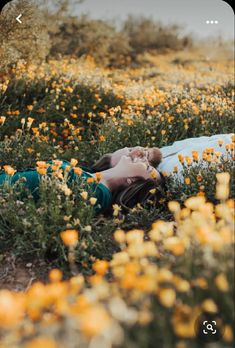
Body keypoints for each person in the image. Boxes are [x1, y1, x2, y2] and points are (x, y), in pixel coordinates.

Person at [0, 156, 162, 214]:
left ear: (131, 181)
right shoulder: (91, 176)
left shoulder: (98, 194)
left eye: (147, 167)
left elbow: (46, 211)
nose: (144, 160)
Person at [92, 146, 162, 172]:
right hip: (113, 157)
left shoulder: (143, 164)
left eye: (147, 155)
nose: (144, 152)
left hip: (116, 166)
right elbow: (132, 150)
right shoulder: (139, 149)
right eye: (146, 149)